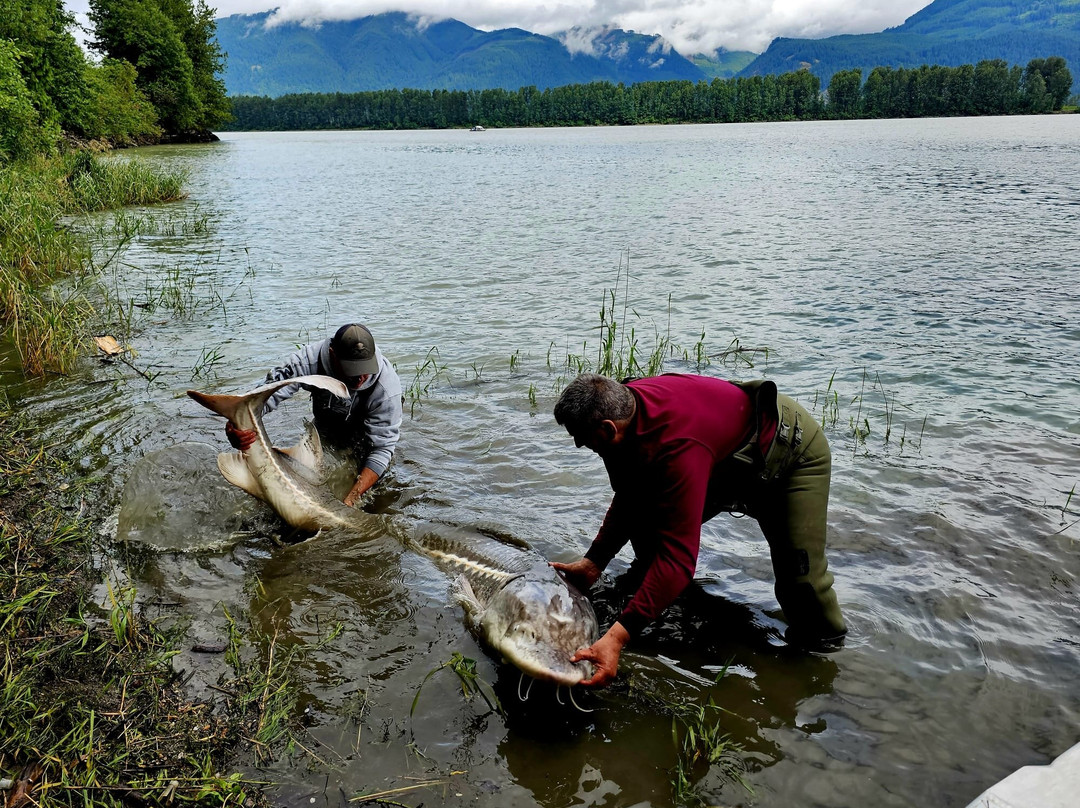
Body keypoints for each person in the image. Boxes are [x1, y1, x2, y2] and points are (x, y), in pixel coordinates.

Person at [551, 372, 846, 687]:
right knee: (650, 525)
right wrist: (594, 562)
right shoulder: (624, 411)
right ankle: (660, 607)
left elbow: (678, 560)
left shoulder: (678, 445)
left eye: (581, 437)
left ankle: (822, 665)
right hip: (727, 459)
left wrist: (617, 640)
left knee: (801, 579)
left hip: (790, 456)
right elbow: (631, 496)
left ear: (608, 429)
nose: (580, 444)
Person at [226, 323, 403, 507]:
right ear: (333, 355)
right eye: (352, 370)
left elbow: (382, 449)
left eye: (365, 369)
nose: (360, 378)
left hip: (366, 441)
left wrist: (351, 500)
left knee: (376, 500)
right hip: (325, 432)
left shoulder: (387, 388)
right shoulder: (308, 360)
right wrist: (237, 422)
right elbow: (260, 398)